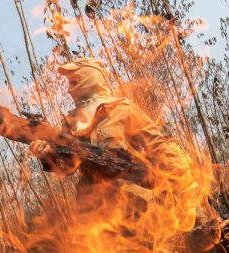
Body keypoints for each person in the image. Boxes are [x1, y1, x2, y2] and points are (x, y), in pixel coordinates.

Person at [29, 57, 221, 252]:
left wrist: (185, 192)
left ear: (91, 78)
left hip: (133, 209)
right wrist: (46, 155)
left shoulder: (123, 109)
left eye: (74, 82)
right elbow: (68, 168)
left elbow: (159, 147)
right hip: (92, 216)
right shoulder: (70, 122)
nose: (69, 89)